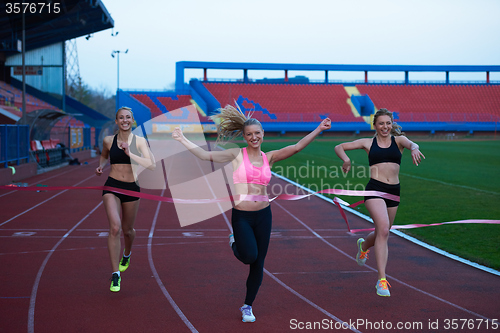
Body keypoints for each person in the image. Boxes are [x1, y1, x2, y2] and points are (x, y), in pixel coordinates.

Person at [172, 104, 331, 322]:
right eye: (249, 134)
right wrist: (182, 139)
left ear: (263, 134)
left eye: (257, 133)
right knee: (249, 256)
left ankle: (248, 305)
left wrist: (318, 129)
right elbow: (205, 155)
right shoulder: (236, 155)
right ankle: (233, 243)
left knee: (258, 263)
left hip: (264, 215)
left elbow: (296, 147)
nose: (254, 137)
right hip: (242, 216)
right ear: (245, 137)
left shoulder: (270, 157)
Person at [334, 108, 425, 297]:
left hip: (394, 192)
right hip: (374, 189)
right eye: (381, 123)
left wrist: (415, 147)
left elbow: (411, 143)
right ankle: (381, 280)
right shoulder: (368, 143)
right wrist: (346, 159)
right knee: (383, 229)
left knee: (383, 231)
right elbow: (339, 146)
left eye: (388, 123)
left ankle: (364, 246)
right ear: (375, 125)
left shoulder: (398, 141)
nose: (385, 126)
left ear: (392, 124)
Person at [95, 107, 155, 292]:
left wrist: (130, 153)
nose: (124, 120)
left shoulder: (140, 142)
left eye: (128, 117)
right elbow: (105, 155)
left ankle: (127, 254)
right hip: (112, 186)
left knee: (128, 231)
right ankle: (115, 274)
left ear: (132, 120)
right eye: (121, 118)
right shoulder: (108, 140)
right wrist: (101, 166)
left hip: (131, 188)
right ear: (116, 121)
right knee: (115, 227)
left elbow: (151, 165)